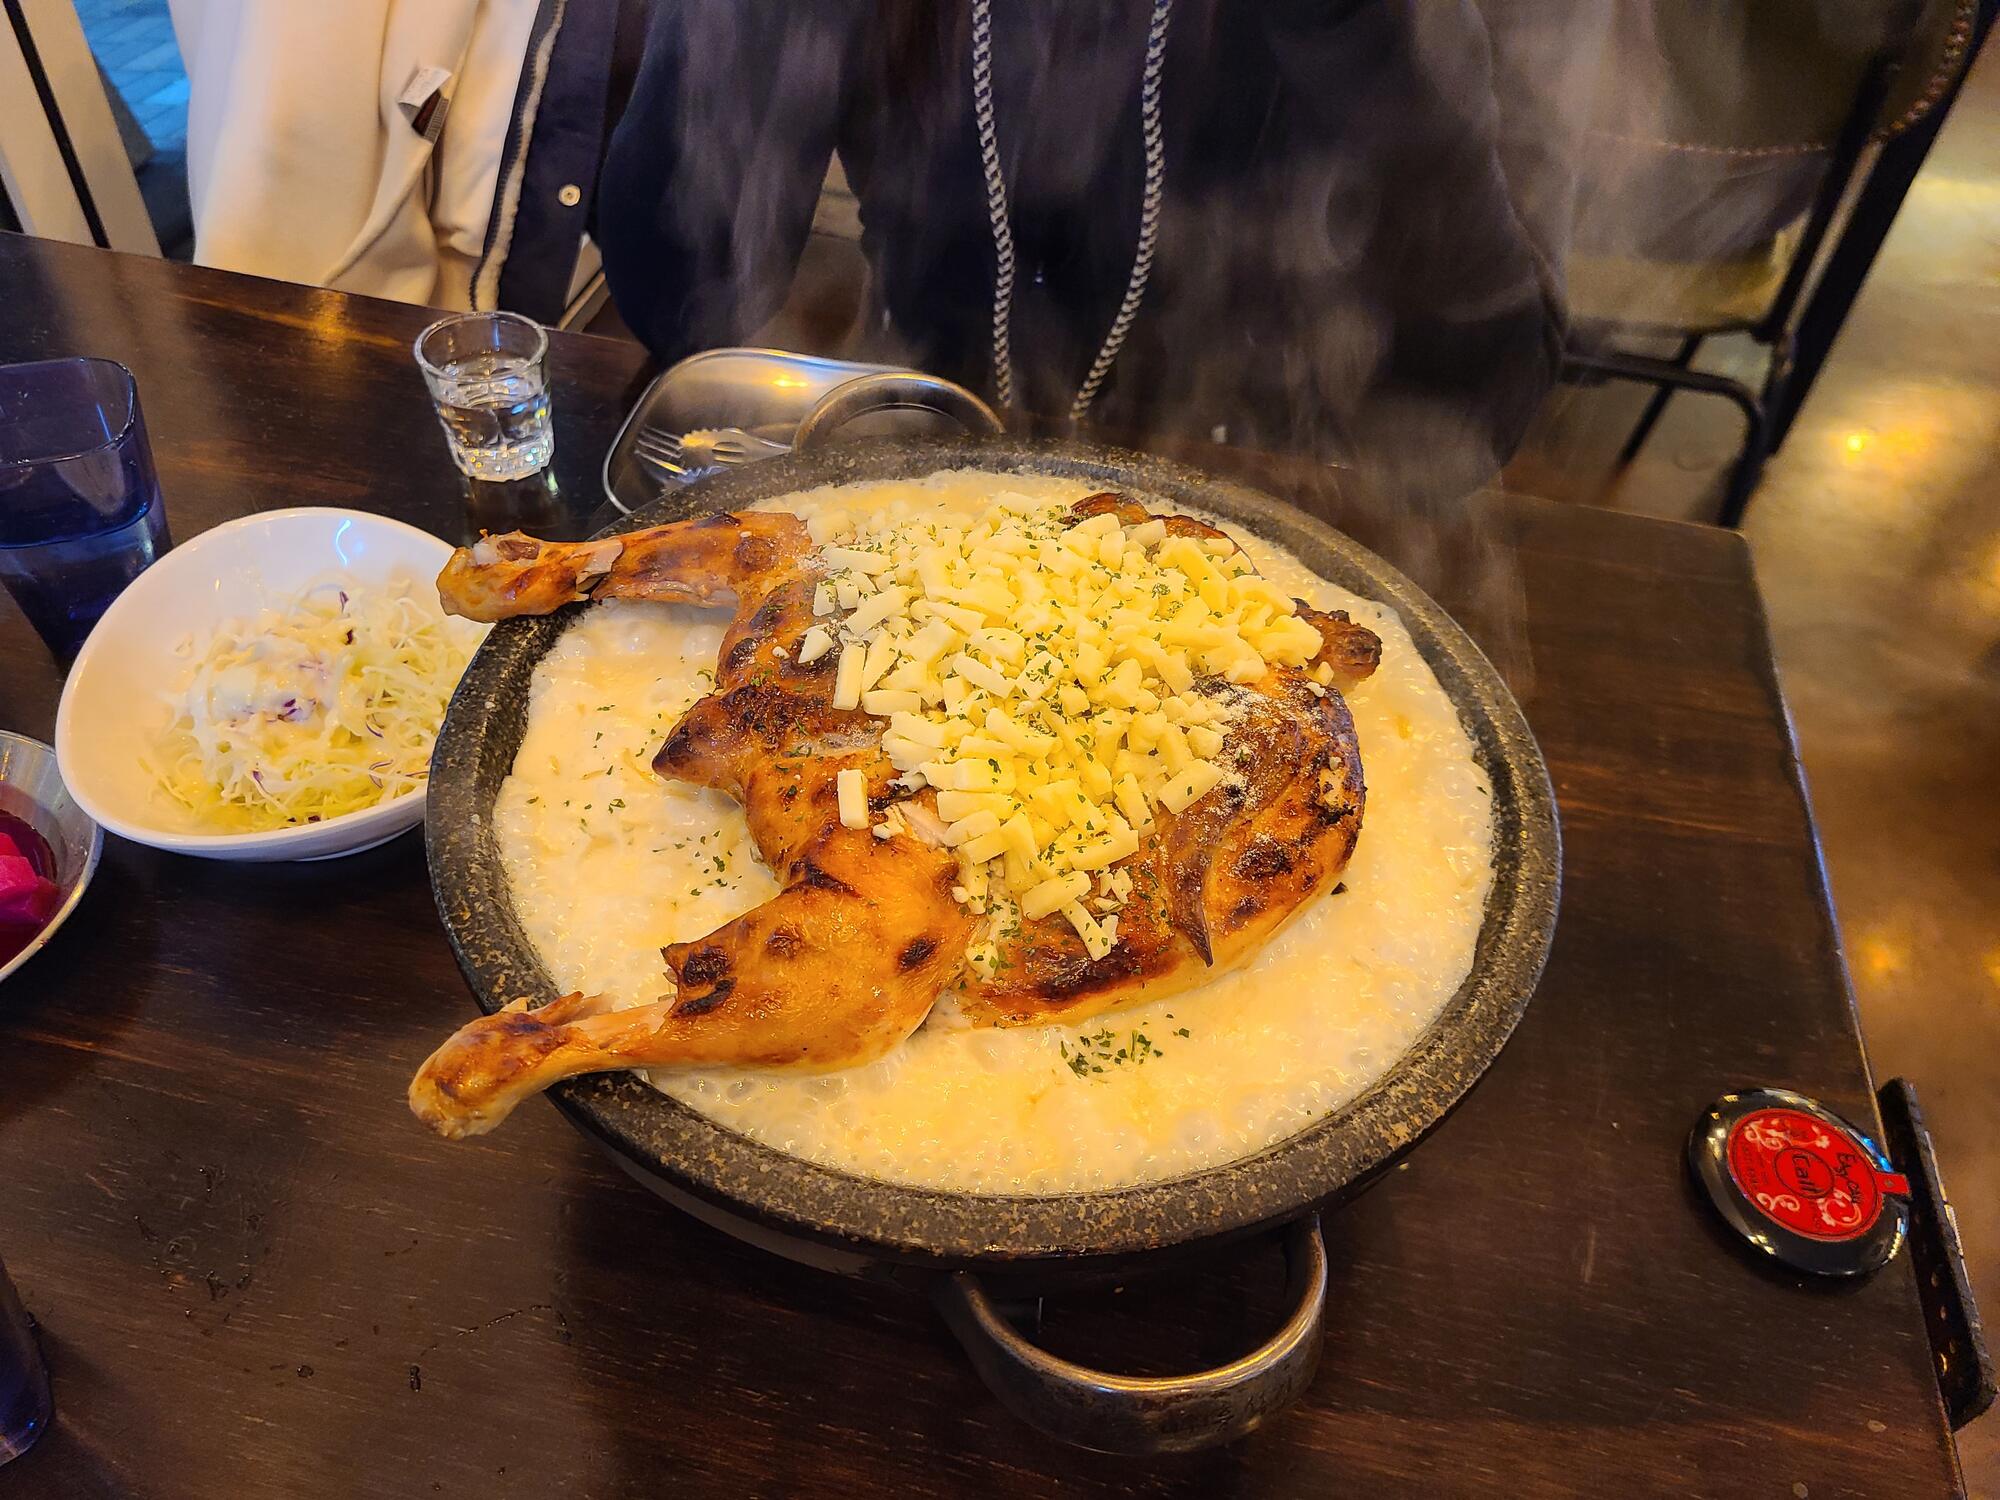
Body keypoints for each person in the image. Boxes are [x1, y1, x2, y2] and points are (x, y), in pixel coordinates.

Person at [596, 1, 1605, 503]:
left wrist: (1370, 40)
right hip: (913, 468)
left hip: (1264, 500)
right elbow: (681, 298)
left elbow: (1474, 417)